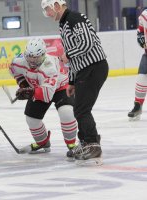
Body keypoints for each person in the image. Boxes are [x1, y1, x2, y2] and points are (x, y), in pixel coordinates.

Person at [42, 0, 108, 165]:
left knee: (81, 109)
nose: (48, 14)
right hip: (84, 70)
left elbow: (87, 43)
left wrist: (68, 54)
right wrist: (71, 81)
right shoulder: (64, 24)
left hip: (93, 67)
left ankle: (92, 144)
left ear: (57, 5)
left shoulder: (74, 18)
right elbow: (72, 57)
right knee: (80, 108)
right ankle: (86, 142)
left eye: (48, 9)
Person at [9, 37, 77, 157]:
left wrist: (30, 92)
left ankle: (71, 144)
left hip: (60, 87)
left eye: (37, 57)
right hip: (38, 88)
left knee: (66, 112)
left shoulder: (49, 66)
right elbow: (15, 72)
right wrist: (23, 85)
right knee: (31, 119)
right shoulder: (18, 61)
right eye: (30, 56)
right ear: (25, 54)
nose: (33, 61)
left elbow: (47, 95)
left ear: (44, 55)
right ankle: (43, 142)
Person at [127, 9, 147, 121]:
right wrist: (140, 36)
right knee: (141, 77)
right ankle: (137, 105)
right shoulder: (144, 15)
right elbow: (140, 30)